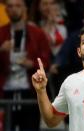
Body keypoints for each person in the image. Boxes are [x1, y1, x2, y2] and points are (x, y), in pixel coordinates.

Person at [0, 0, 50, 130]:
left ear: (25, 9)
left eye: (18, 6)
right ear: (5, 10)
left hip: (30, 91)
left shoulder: (37, 34)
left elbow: (46, 62)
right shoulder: (1, 33)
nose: (14, 9)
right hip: (5, 91)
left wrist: (32, 64)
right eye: (10, 6)